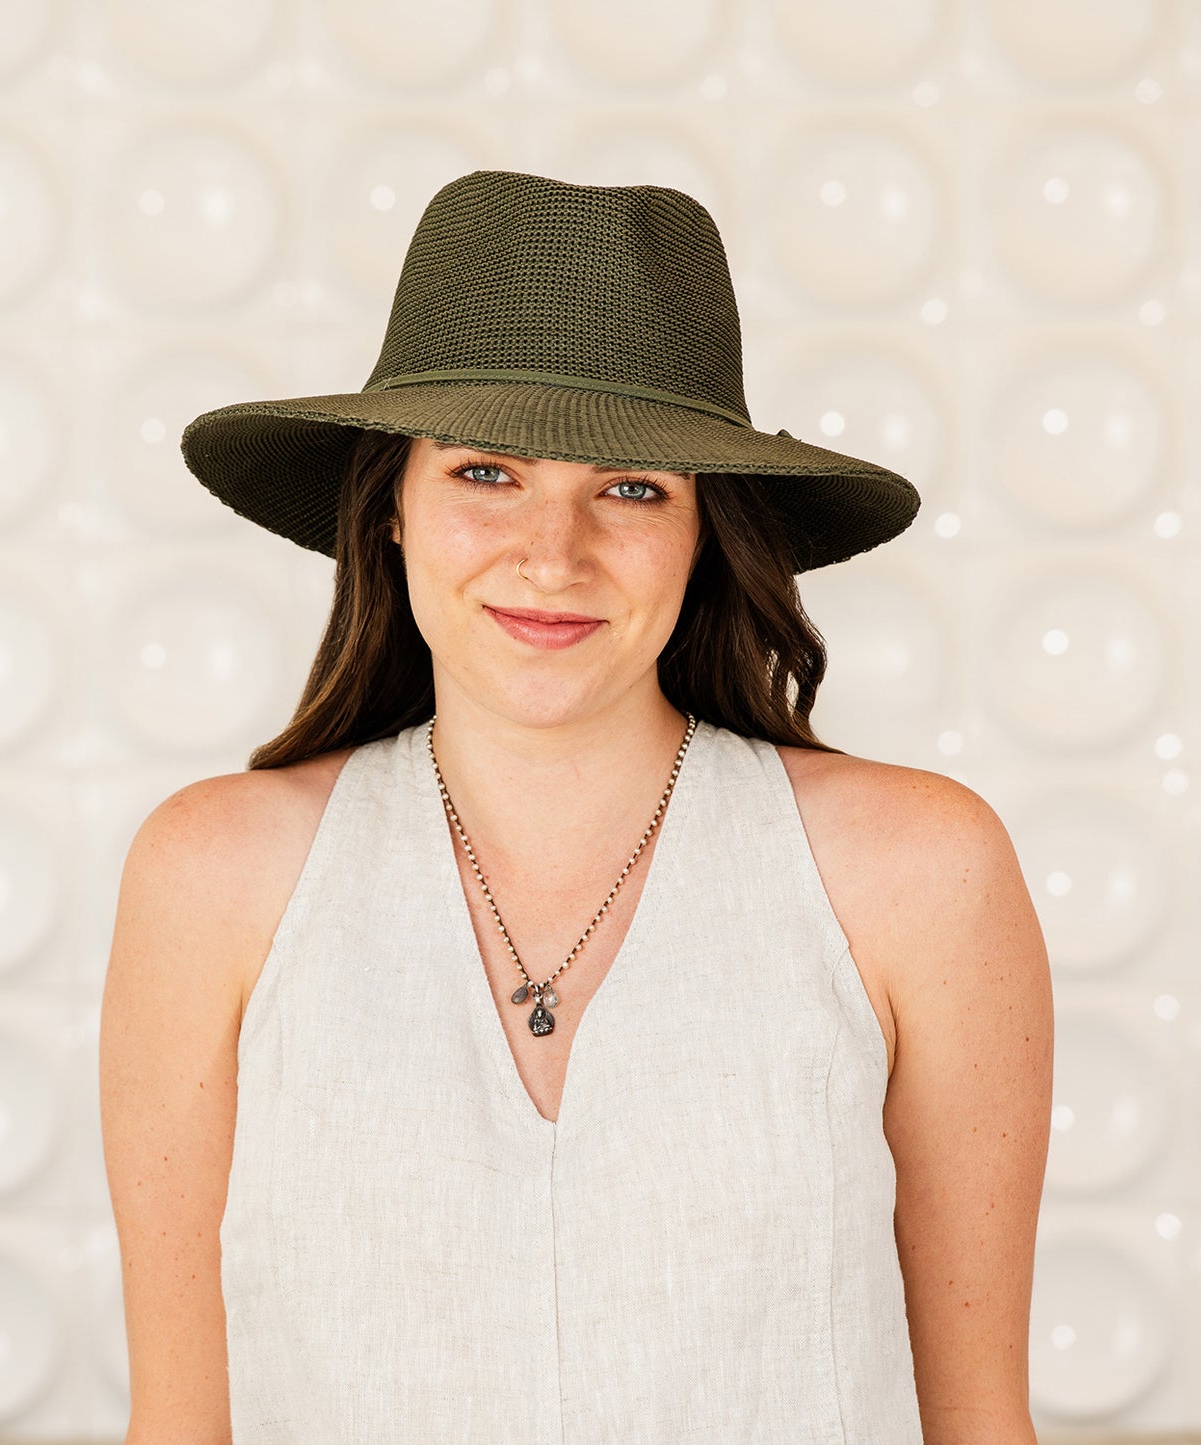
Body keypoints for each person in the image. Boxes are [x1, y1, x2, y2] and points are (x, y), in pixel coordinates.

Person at [99, 169, 1052, 1444]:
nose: (552, 554)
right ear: (389, 506)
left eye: (632, 487)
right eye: (486, 472)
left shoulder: (916, 871)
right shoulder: (213, 874)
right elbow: (178, 1426)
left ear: (708, 528)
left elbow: (978, 1423)